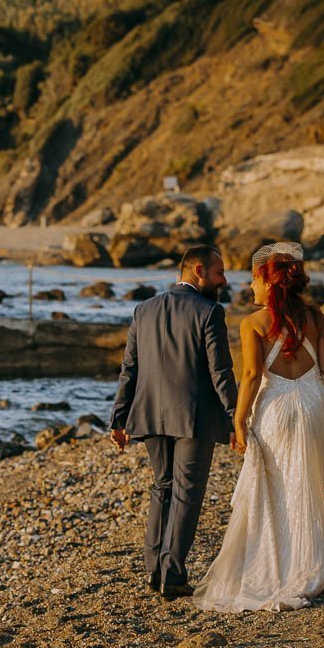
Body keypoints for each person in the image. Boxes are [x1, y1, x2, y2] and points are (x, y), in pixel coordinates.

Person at [194, 243, 324, 612]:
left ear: (268, 285)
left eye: (254, 281)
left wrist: (238, 420)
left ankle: (273, 565)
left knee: (273, 487)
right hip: (315, 405)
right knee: (307, 485)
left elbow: (251, 375)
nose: (249, 288)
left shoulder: (253, 323)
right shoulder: (315, 317)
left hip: (276, 407)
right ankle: (306, 565)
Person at [109, 245, 237, 600]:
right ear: (198, 271)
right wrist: (235, 416)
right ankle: (173, 575)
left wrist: (118, 420)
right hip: (193, 417)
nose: (223, 280)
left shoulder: (144, 309)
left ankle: (155, 571)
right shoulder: (210, 312)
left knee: (162, 487)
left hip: (148, 414)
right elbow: (221, 372)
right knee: (186, 493)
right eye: (218, 273)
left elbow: (129, 370)